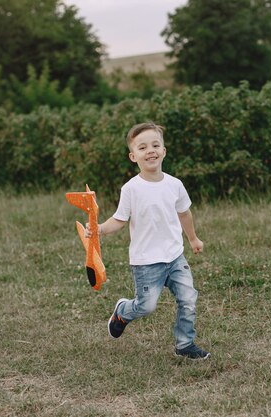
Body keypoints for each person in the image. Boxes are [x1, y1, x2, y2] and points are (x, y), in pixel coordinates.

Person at [85, 121, 210, 360]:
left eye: (155, 145)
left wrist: (193, 239)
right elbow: (119, 219)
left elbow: (185, 213)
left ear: (164, 151)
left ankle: (185, 344)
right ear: (133, 156)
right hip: (146, 261)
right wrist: (99, 229)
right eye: (142, 148)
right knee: (146, 306)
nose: (150, 150)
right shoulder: (131, 189)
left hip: (174, 256)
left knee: (188, 298)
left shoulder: (175, 185)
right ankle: (123, 311)